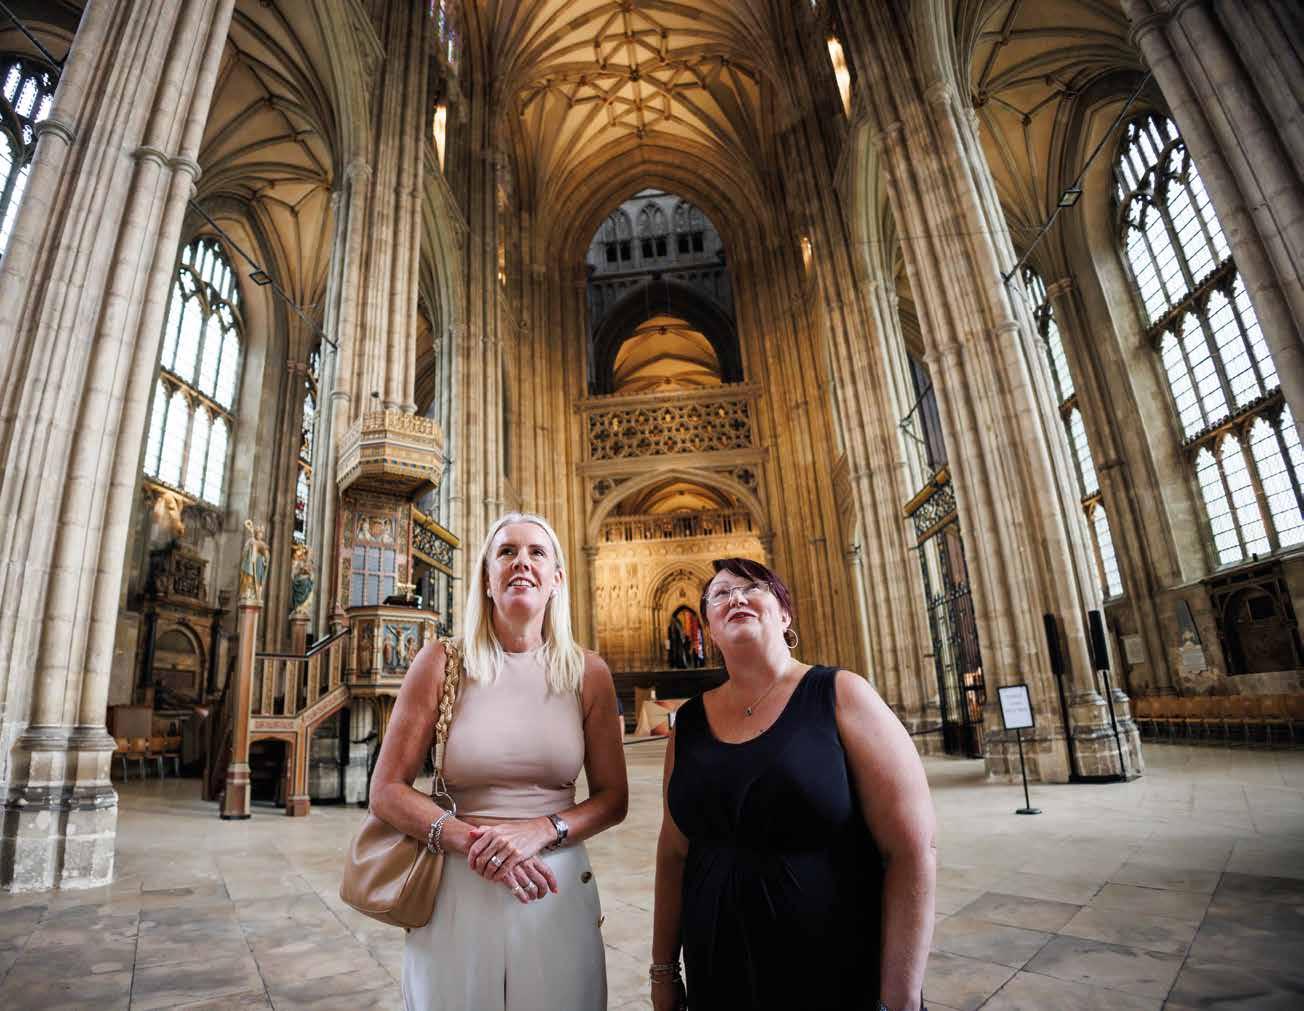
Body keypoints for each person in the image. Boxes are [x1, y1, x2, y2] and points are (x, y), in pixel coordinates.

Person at [369, 512, 629, 1011]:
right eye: (506, 552)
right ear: (487, 579)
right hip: (456, 882)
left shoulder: (588, 672)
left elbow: (613, 799)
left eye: (537, 553)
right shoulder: (440, 662)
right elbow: (386, 791)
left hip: (553, 883)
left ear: (557, 580)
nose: (521, 562)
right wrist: (479, 845)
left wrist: (541, 830)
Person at [650, 558, 936, 1011]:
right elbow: (673, 853)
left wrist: (900, 998)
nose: (736, 598)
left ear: (784, 614)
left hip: (832, 970)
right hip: (718, 975)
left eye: (752, 587)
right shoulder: (688, 723)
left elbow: (913, 850)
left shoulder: (841, 694)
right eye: (720, 594)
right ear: (710, 629)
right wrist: (663, 970)